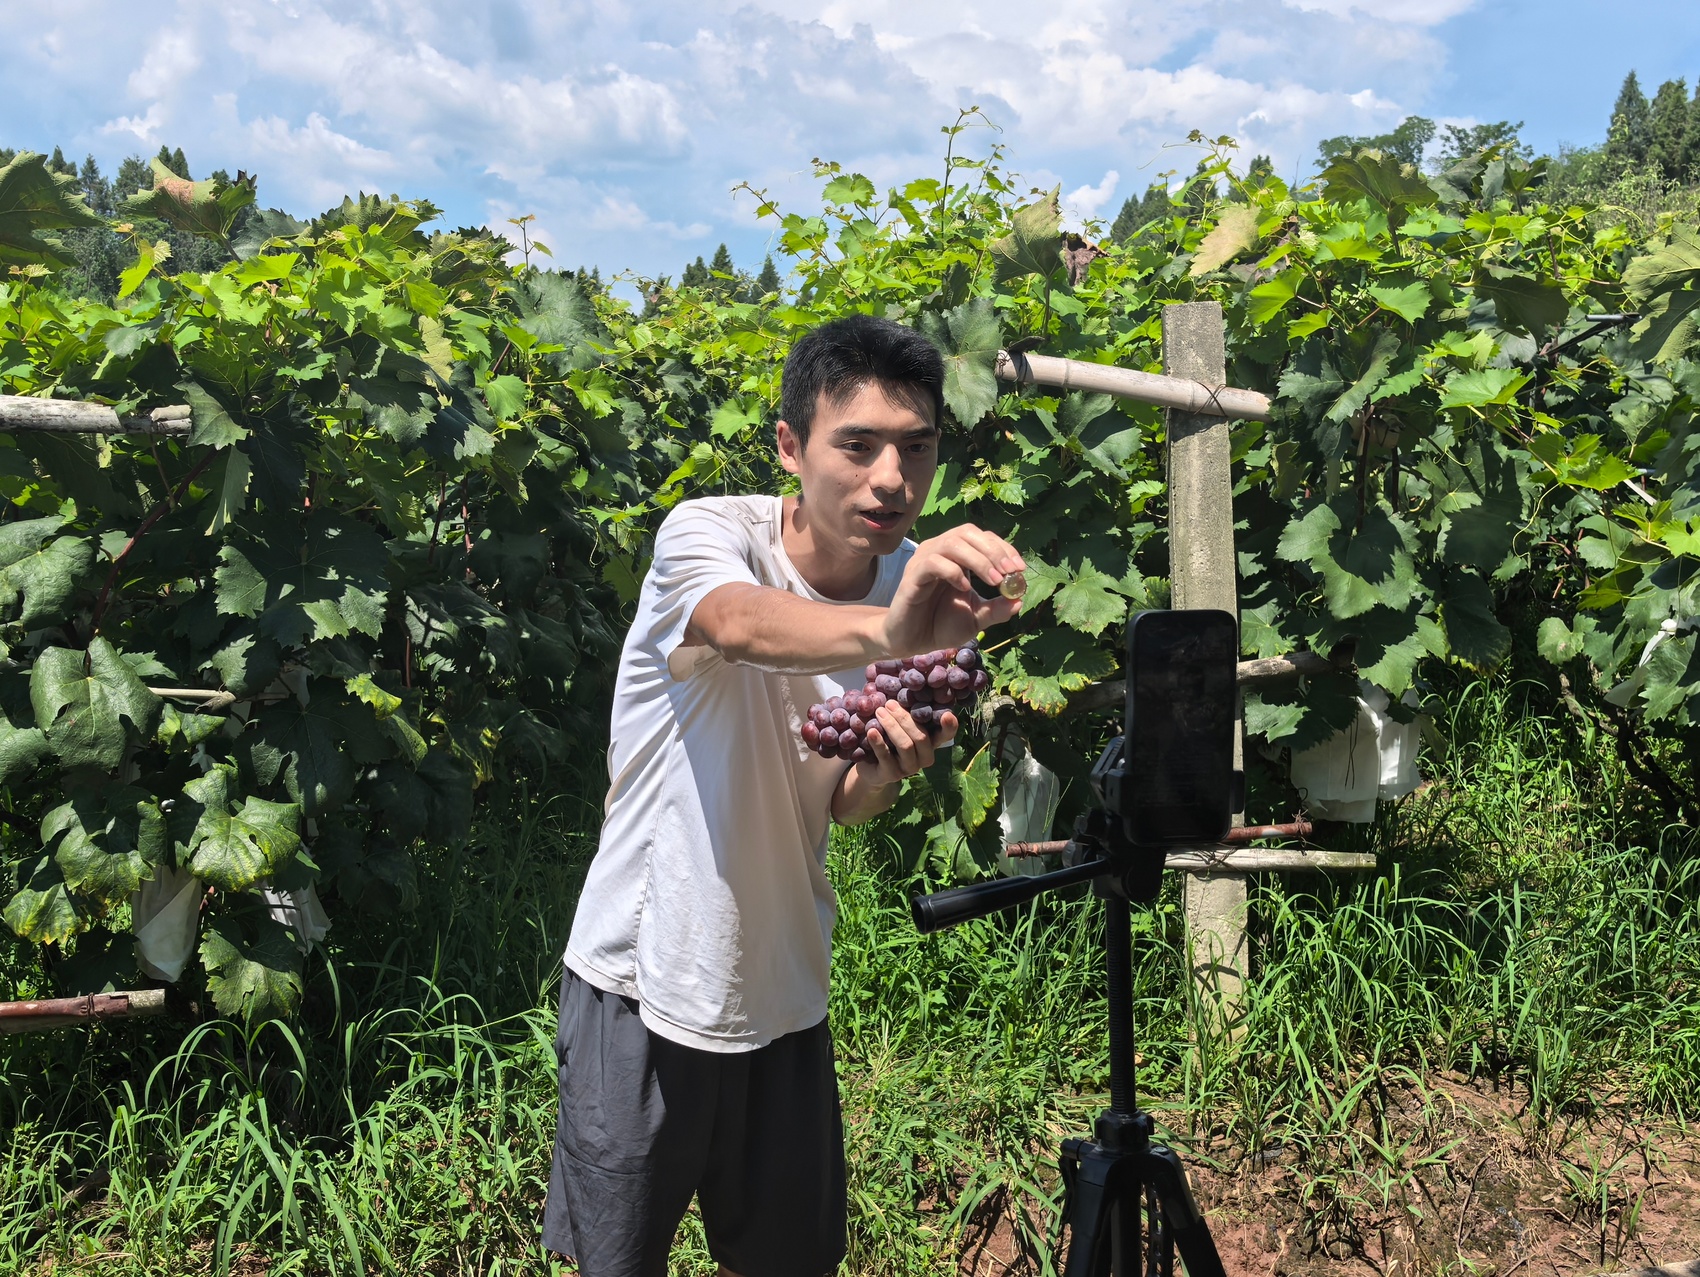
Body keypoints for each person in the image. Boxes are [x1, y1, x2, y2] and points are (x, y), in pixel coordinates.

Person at [544, 315, 1025, 1277]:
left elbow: (839, 800)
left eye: (917, 447)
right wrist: (894, 630)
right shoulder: (709, 533)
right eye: (858, 444)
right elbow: (737, 625)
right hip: (646, 976)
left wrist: (883, 772)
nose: (891, 478)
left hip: (785, 983)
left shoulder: (917, 586)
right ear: (790, 446)